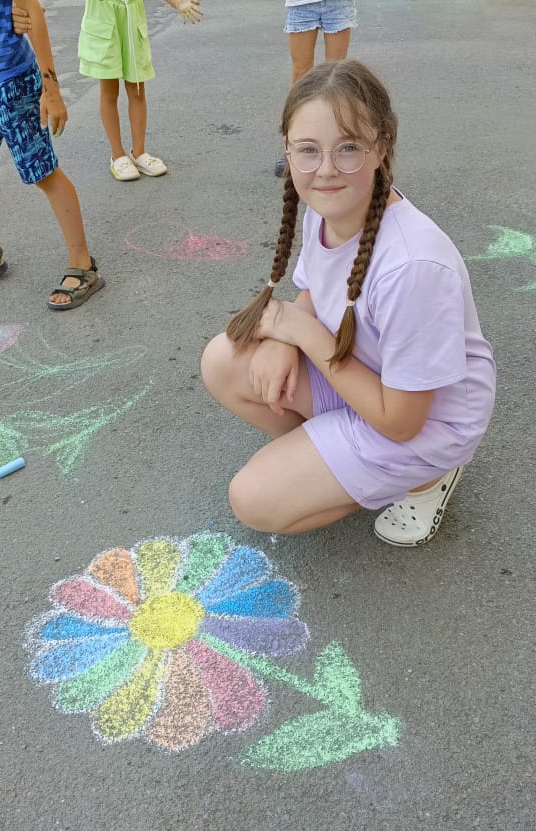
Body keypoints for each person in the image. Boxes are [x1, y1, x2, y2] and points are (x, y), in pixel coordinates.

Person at [201, 60, 496, 545]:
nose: (326, 170)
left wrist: (304, 336)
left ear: (381, 147)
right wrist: (283, 341)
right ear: (288, 150)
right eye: (309, 151)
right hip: (366, 372)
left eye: (349, 148)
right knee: (222, 361)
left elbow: (402, 421)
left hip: (425, 420)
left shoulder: (412, 267)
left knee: (252, 499)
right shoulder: (329, 209)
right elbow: (318, 288)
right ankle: (333, 461)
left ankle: (424, 480)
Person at [0, 0, 104, 310]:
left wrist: (50, 90)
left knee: (43, 172)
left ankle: (83, 264)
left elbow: (34, 13)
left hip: (9, 80)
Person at [12, 0, 202, 182]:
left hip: (131, 20)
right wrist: (33, 6)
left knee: (137, 90)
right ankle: (117, 156)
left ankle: (139, 152)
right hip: (104, 22)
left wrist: (178, 2)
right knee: (110, 92)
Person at [274, 0, 357, 177]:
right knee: (301, 74)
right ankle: (294, 145)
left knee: (337, 73)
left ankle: (337, 143)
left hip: (338, 4)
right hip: (301, 4)